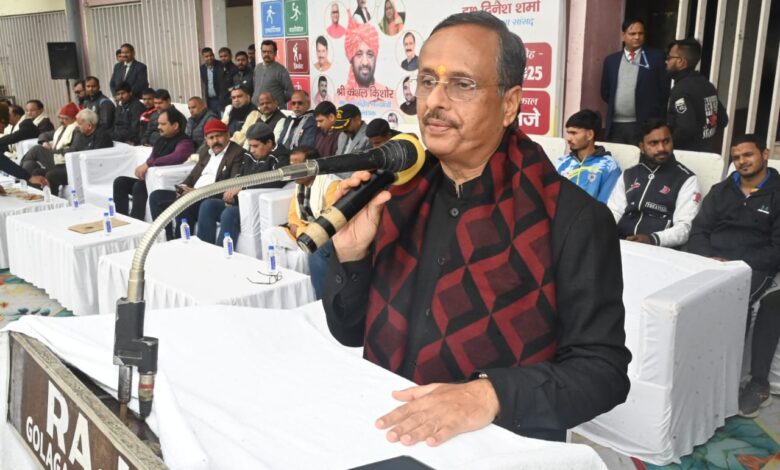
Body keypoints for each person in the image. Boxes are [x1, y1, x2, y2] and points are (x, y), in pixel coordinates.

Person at [322, 11, 630, 444]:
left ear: (510, 104)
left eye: (462, 84)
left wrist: (490, 394)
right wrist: (351, 256)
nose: (435, 101)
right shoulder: (396, 196)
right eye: (427, 81)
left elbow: (603, 373)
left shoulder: (570, 218)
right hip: (387, 430)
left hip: (496, 448)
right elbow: (350, 331)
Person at [687, 134, 780, 418]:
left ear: (765, 154)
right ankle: (694, 376)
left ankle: (753, 384)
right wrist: (708, 258)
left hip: (755, 266)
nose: (741, 161)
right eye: (736, 157)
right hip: (712, 262)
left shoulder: (777, 194)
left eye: (748, 155)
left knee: (734, 303)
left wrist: (739, 265)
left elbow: (777, 248)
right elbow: (699, 230)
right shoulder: (721, 191)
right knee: (684, 301)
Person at [607, 119, 701, 247]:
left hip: (659, 249)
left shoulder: (686, 179)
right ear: (642, 147)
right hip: (621, 244)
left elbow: (685, 228)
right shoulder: (629, 174)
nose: (661, 148)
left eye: (666, 141)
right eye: (654, 143)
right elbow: (614, 212)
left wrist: (652, 239)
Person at [262, 145, 341, 298]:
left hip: (320, 237)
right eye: (291, 166)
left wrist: (299, 231)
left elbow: (329, 222)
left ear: (312, 165)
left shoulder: (331, 184)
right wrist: (297, 228)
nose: (293, 171)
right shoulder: (300, 183)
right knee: (269, 234)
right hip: (301, 231)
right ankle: (280, 283)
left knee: (301, 253)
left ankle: (300, 294)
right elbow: (293, 215)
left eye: (297, 166)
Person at [149, 119, 245, 239]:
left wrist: (197, 193)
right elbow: (192, 177)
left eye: (219, 136)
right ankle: (166, 238)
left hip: (210, 198)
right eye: (211, 138)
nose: (215, 141)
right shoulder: (206, 152)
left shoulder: (237, 153)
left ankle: (182, 241)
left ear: (227, 135)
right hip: (193, 194)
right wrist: (182, 188)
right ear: (206, 140)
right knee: (156, 197)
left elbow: (232, 184)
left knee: (185, 203)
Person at [197, 122, 289, 245]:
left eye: (255, 146)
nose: (252, 150)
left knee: (229, 214)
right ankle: (204, 248)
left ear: (269, 143)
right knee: (208, 205)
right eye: (250, 146)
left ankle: (223, 253)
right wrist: (231, 194)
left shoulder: (280, 158)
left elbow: (276, 181)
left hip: (256, 207)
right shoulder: (249, 155)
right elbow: (240, 176)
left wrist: (243, 188)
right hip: (240, 201)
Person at [113, 108, 195, 220]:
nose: (158, 127)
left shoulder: (185, 142)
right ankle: (121, 219)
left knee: (139, 186)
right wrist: (148, 164)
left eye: (163, 124)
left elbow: (176, 157)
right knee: (120, 182)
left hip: (163, 186)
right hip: (150, 180)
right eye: (158, 124)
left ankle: (136, 221)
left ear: (175, 125)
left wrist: (148, 164)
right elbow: (153, 156)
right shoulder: (161, 139)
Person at [601, 18, 668, 144]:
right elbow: (605, 92)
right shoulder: (611, 60)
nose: (637, 37)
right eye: (632, 34)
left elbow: (663, 90)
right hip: (616, 125)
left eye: (640, 33)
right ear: (623, 36)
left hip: (644, 124)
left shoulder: (656, 57)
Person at [666, 38, 729, 152]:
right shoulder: (707, 85)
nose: (666, 62)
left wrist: (667, 144)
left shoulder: (681, 90)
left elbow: (686, 128)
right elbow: (723, 119)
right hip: (707, 152)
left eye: (669, 57)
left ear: (681, 62)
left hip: (687, 155)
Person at [556, 109, 621, 203]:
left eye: (574, 133)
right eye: (568, 133)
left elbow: (605, 204)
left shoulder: (609, 166)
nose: (568, 138)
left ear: (590, 135)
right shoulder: (562, 162)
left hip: (592, 212)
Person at [43, 108, 114, 194]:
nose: (77, 126)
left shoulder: (102, 136)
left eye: (80, 124)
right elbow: (74, 150)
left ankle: (53, 200)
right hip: (75, 166)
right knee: (40, 171)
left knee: (51, 175)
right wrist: (59, 152)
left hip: (89, 170)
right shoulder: (81, 134)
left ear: (89, 126)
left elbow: (96, 158)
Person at [20, 102, 79, 174]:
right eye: (60, 118)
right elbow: (44, 135)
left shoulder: (77, 130)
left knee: (37, 149)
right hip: (56, 157)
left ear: (74, 119)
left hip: (63, 162)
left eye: (65, 118)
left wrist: (52, 150)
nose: (61, 121)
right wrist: (44, 142)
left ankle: (19, 171)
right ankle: (22, 174)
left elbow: (73, 149)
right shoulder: (62, 129)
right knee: (29, 164)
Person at [343, 20, 394, 101]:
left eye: (370, 54)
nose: (365, 62)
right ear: (352, 59)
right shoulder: (341, 97)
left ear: (375, 58)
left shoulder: (390, 97)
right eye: (359, 54)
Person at [251, 40, 294, 110]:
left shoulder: (281, 70)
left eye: (270, 52)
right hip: (257, 108)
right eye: (264, 52)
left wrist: (278, 102)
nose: (266, 54)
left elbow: (290, 92)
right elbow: (255, 87)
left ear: (275, 53)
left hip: (274, 110)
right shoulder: (257, 67)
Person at [200, 47, 225, 115]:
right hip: (210, 101)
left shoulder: (221, 65)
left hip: (221, 99)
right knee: (213, 118)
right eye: (206, 56)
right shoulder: (202, 68)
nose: (209, 58)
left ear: (213, 55)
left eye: (211, 55)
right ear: (203, 57)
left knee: (223, 118)